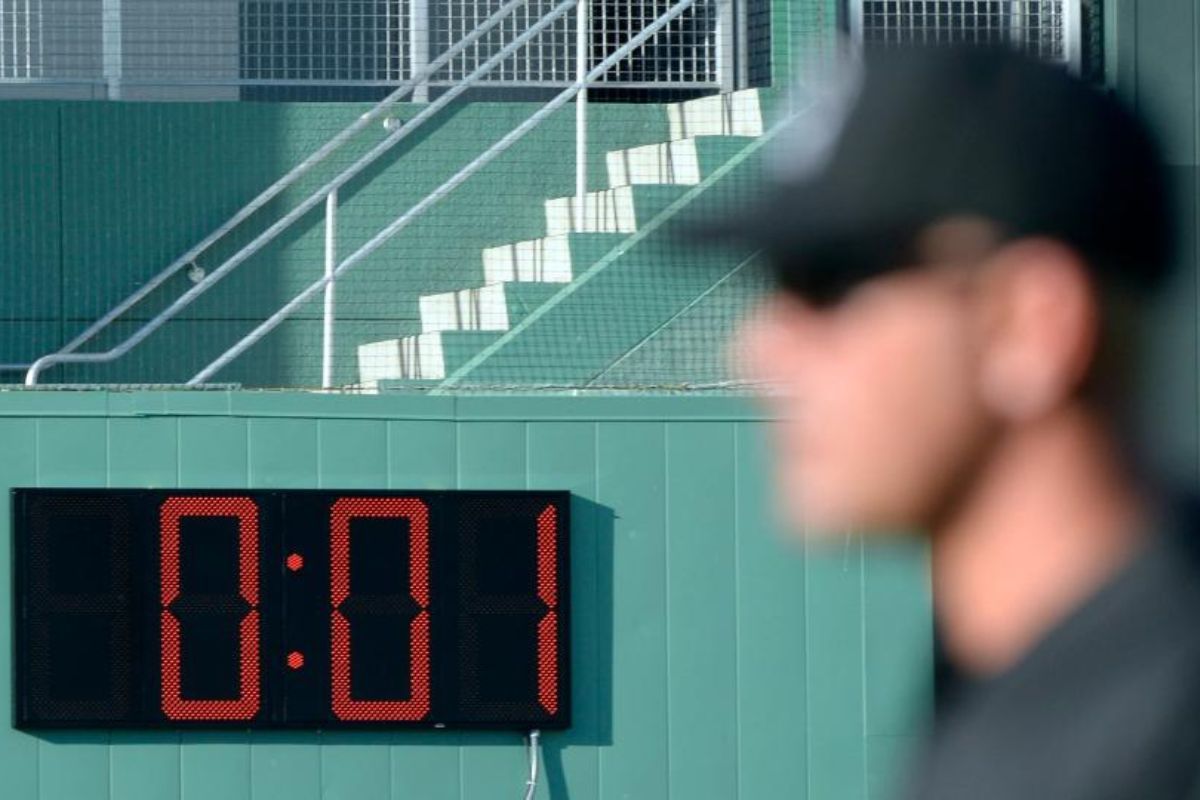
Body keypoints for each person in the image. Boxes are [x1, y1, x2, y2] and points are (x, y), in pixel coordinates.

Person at [700, 44, 1200, 799]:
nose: (760, 347)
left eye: (830, 281)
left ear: (1030, 325)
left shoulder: (1162, 727)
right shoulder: (1012, 672)